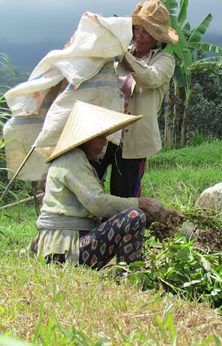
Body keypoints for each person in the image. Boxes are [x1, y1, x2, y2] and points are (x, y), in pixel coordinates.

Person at [34, 101, 163, 268]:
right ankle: (130, 274)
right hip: (65, 251)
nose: (104, 143)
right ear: (86, 137)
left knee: (129, 218)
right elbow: (97, 202)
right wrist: (140, 203)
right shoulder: (72, 160)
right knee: (133, 218)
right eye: (100, 137)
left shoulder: (75, 160)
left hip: (68, 245)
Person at [92, 0, 178, 198]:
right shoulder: (122, 56)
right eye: (137, 29)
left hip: (135, 141)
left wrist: (123, 53)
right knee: (91, 184)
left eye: (146, 32)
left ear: (157, 38)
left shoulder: (164, 61)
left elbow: (150, 77)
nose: (139, 35)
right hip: (107, 134)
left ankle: (127, 229)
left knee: (125, 197)